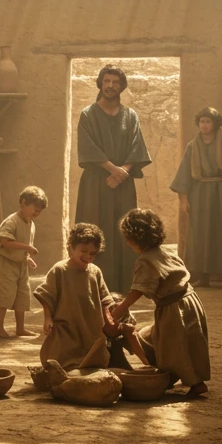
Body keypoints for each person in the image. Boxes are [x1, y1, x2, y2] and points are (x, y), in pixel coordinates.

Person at [110, 209, 211, 399]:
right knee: (186, 342)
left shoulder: (145, 260)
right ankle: (171, 375)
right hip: (190, 302)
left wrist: (119, 310)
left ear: (134, 239)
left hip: (172, 308)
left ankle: (196, 384)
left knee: (175, 347)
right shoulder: (166, 252)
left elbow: (138, 290)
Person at [74, 64, 151, 292]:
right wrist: (111, 169)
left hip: (123, 184)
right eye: (107, 81)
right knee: (95, 229)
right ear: (101, 83)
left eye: (115, 82)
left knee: (125, 230)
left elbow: (137, 147)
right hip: (96, 184)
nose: (110, 86)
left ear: (121, 86)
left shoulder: (131, 116)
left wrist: (123, 171)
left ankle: (124, 285)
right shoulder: (88, 114)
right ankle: (92, 285)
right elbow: (88, 147)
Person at [33, 223, 138, 371]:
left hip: (90, 324)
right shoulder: (60, 270)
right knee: (63, 356)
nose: (88, 256)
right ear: (71, 247)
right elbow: (47, 295)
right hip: (66, 325)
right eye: (84, 251)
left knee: (93, 354)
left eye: (93, 253)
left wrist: (109, 320)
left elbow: (104, 298)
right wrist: (47, 318)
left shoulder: (95, 271)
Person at [170, 106, 222, 288]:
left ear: (215, 124)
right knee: (200, 234)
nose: (204, 125)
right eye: (202, 122)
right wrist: (184, 199)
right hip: (199, 194)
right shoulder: (192, 147)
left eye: (208, 122)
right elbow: (184, 174)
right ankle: (203, 276)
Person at [0, 185, 47, 339]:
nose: (36, 213)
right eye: (34, 208)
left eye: (39, 211)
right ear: (23, 202)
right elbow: (5, 242)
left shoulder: (31, 224)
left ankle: (20, 328)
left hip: (21, 265)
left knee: (22, 295)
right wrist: (27, 247)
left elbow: (23, 248)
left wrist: (27, 258)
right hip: (6, 264)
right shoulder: (12, 221)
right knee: (5, 295)